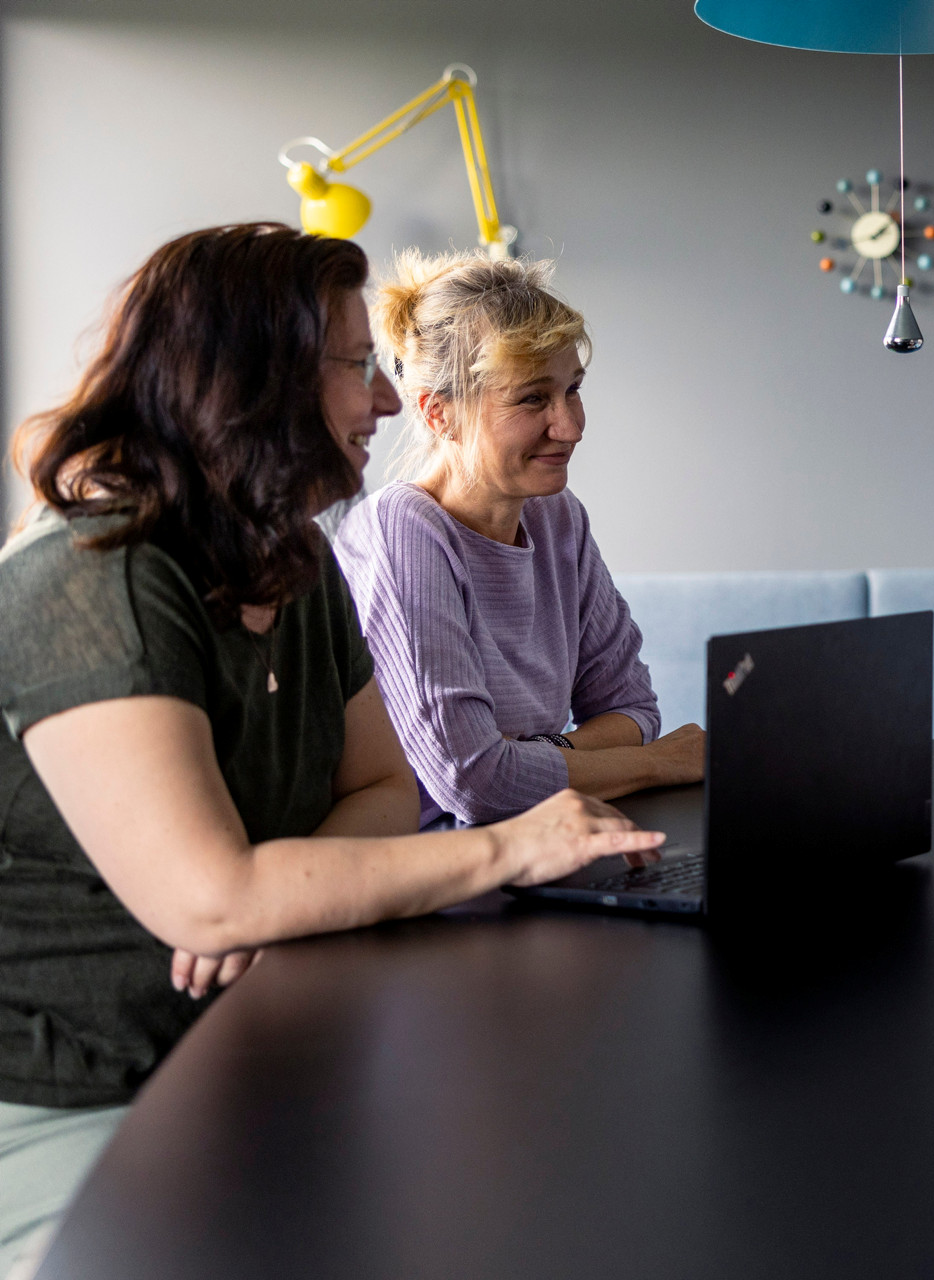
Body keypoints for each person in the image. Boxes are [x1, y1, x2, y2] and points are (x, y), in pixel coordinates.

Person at [0, 224, 662, 1275]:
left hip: (255, 1041)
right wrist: (510, 845)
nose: (389, 401)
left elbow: (385, 786)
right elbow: (213, 898)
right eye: (358, 368)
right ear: (251, 382)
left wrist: (272, 892)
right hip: (74, 1092)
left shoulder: (294, 555)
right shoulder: (92, 576)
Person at [332, 251, 702, 829]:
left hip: (546, 838)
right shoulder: (403, 530)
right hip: (442, 868)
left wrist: (533, 757)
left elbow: (633, 708)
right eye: (532, 398)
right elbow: (474, 783)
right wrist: (653, 765)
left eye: (572, 390)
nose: (571, 427)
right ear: (438, 413)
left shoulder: (557, 518)